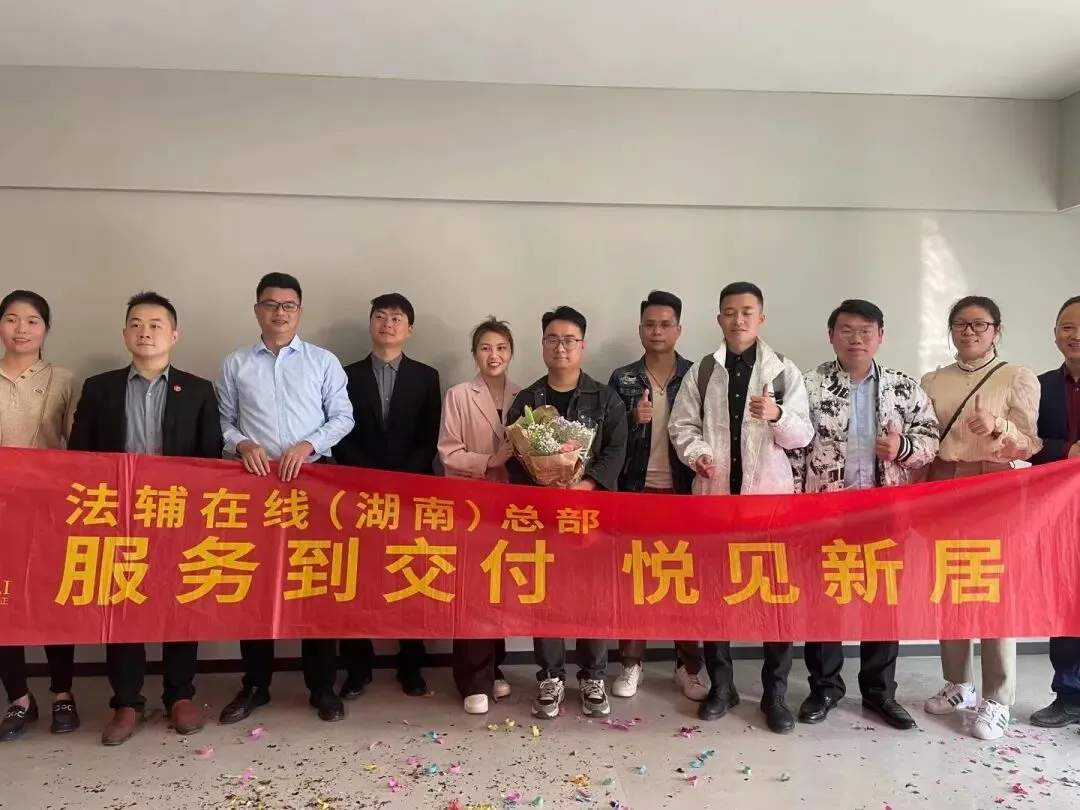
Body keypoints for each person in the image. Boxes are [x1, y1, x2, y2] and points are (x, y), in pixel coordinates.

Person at [68, 292, 222, 746]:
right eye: (136, 324)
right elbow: (79, 456)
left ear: (174, 335)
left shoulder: (197, 390)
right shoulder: (100, 388)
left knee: (180, 602)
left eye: (156, 325)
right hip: (116, 515)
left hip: (178, 515)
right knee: (123, 605)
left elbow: (211, 458)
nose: (145, 332)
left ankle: (180, 694)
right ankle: (126, 701)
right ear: (124, 334)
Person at [668, 281, 813, 734]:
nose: (738, 320)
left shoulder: (783, 371)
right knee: (715, 596)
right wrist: (697, 454)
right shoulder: (703, 372)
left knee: (775, 599)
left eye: (747, 311)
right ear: (719, 319)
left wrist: (777, 416)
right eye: (730, 312)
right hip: (714, 503)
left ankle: (775, 695)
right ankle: (722, 687)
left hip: (768, 506)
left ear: (761, 318)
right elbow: (681, 426)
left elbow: (803, 434)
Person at [792, 299, 939, 731]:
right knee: (825, 601)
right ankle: (825, 688)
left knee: (883, 601)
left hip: (884, 511)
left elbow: (931, 439)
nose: (856, 339)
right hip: (825, 511)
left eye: (866, 331)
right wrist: (795, 508)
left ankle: (879, 691)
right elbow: (793, 448)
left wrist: (903, 448)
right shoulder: (808, 385)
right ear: (831, 336)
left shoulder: (903, 387)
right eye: (846, 330)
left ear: (880, 336)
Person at [217, 273, 354, 724]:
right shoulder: (236, 363)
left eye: (288, 305)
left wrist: (308, 445)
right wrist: (241, 443)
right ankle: (256, 684)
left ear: (300, 311)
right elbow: (222, 420)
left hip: (313, 484)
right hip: (256, 487)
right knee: (255, 584)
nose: (280, 312)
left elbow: (343, 417)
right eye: (270, 304)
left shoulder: (323, 362)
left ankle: (322, 687)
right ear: (257, 310)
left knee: (317, 583)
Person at [920, 295, 1041, 741]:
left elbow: (1030, 443)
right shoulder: (933, 380)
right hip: (944, 485)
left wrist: (999, 427)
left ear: (996, 330)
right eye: (960, 324)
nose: (969, 332)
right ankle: (959, 683)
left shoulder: (1016, 377)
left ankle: (997, 698)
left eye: (979, 324)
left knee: (994, 587)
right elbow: (925, 437)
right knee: (950, 582)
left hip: (995, 486)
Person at [505, 305, 628, 720]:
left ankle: (593, 676)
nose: (561, 347)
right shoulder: (526, 401)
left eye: (569, 340)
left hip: (589, 513)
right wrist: (543, 489)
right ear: (543, 345)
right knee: (546, 594)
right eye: (553, 339)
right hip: (542, 516)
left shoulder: (605, 398)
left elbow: (616, 450)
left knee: (592, 594)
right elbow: (514, 457)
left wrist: (584, 485)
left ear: (582, 346)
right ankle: (550, 676)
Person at [334, 293, 442, 698]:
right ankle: (357, 668)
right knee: (356, 580)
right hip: (356, 493)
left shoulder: (426, 377)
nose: (388, 324)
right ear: (371, 324)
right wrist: (368, 479)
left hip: (411, 492)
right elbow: (339, 431)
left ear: (409, 330)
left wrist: (400, 481)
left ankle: (410, 665)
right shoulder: (344, 374)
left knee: (410, 575)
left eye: (397, 318)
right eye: (380, 316)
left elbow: (429, 437)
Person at [606, 291, 706, 702]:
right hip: (636, 491)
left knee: (686, 581)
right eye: (650, 324)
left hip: (685, 493)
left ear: (678, 329)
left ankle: (689, 667)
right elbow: (609, 440)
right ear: (640, 330)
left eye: (665, 324)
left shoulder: (698, 376)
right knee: (634, 580)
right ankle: (632, 663)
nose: (657, 331)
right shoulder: (623, 379)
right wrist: (635, 420)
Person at [0, 290, 79, 742]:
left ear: (46, 329)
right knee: (3, 602)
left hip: (49, 509)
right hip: (0, 508)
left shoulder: (64, 380)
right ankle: (18, 698)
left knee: (54, 599)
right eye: (12, 319)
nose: (21, 329)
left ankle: (62, 693)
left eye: (32, 320)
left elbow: (79, 447)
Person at [437, 317, 521, 714]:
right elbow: (448, 453)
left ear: (511, 353)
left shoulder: (525, 395)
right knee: (471, 591)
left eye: (501, 348)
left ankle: (494, 668)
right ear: (474, 354)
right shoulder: (458, 395)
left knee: (499, 588)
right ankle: (472, 679)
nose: (494, 355)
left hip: (511, 508)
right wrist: (490, 460)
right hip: (470, 505)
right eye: (486, 348)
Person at [1029, 295, 1080, 728]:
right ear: (1055, 334)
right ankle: (1068, 694)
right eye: (1068, 326)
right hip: (1059, 513)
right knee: (1065, 602)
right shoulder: (1040, 386)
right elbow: (1026, 445)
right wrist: (1066, 452)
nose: (1076, 335)